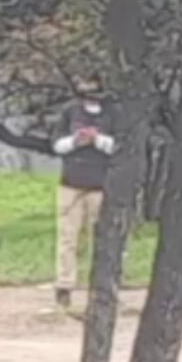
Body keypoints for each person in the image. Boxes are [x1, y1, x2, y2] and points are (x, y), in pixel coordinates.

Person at [52, 82, 116, 311]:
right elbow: (57, 145)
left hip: (99, 185)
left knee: (99, 238)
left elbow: (119, 147)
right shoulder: (70, 112)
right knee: (68, 237)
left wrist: (97, 139)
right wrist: (77, 140)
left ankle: (99, 285)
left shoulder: (112, 114)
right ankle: (64, 285)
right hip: (71, 185)